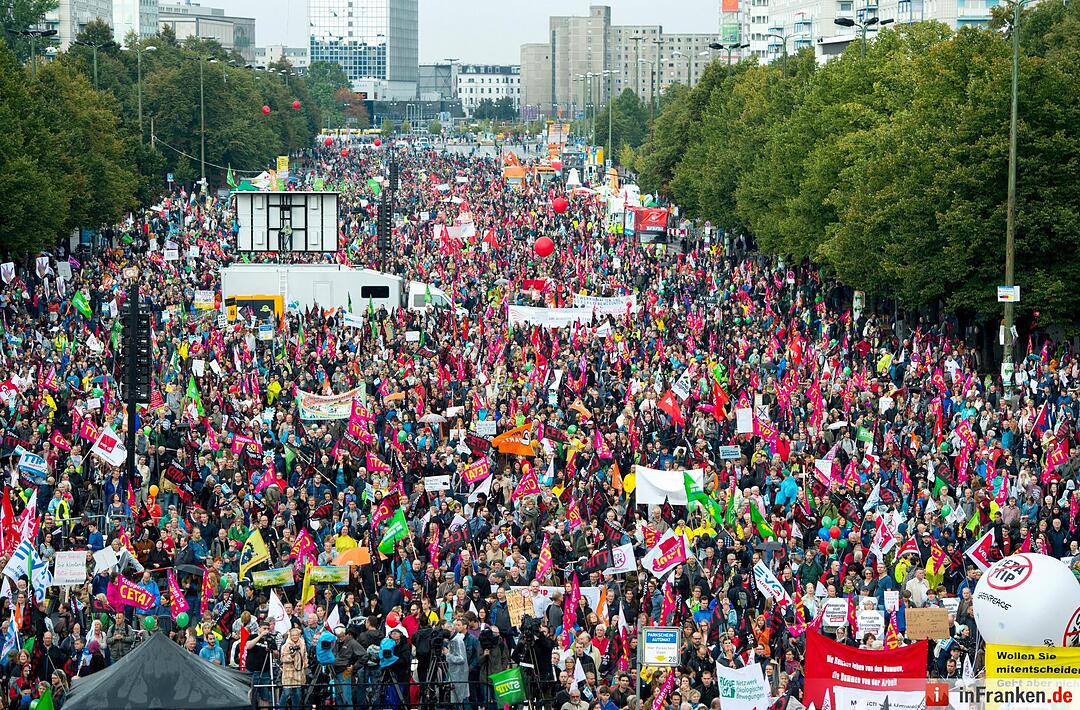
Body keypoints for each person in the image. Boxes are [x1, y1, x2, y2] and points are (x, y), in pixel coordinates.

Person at [279, 626, 308, 710]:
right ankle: (280, 709)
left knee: (297, 694)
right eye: (293, 635)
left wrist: (305, 663)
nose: (295, 637)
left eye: (296, 635)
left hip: (299, 672)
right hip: (288, 673)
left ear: (299, 635)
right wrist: (291, 656)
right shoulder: (286, 645)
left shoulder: (302, 644)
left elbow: (305, 654)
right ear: (290, 636)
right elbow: (282, 659)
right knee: (286, 693)